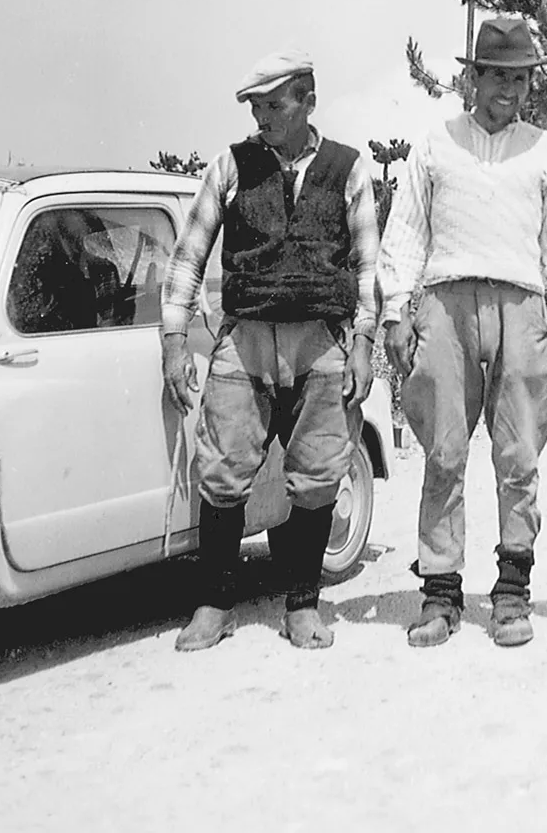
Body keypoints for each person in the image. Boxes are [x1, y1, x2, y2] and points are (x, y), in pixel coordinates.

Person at [378, 16, 547, 649]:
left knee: (518, 457)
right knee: (443, 452)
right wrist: (394, 312)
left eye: (521, 79)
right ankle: (441, 594)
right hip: (445, 305)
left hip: (523, 307)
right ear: (473, 78)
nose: (509, 91)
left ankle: (512, 592)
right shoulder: (436, 144)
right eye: (498, 76)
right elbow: (407, 232)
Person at [161, 50, 379, 652]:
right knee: (223, 471)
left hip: (321, 342)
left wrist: (363, 342)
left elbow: (367, 267)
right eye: (255, 107)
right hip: (246, 339)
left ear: (308, 100)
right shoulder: (229, 167)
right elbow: (189, 255)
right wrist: (175, 339)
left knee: (316, 476)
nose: (261, 117)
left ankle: (303, 606)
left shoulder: (350, 169)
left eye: (273, 105)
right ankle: (213, 605)